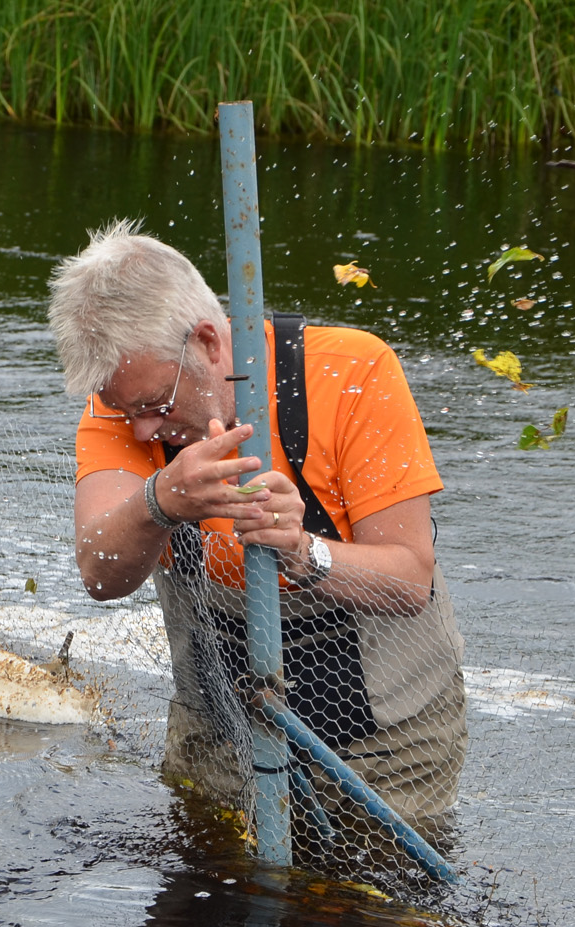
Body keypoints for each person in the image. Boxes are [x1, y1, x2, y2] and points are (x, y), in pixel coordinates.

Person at [49, 221, 466, 851]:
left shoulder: (353, 373)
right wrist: (162, 501)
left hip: (389, 745)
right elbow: (100, 571)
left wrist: (302, 552)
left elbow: (409, 579)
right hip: (219, 734)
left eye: (156, 406)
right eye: (125, 410)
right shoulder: (122, 403)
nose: (141, 431)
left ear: (211, 344)